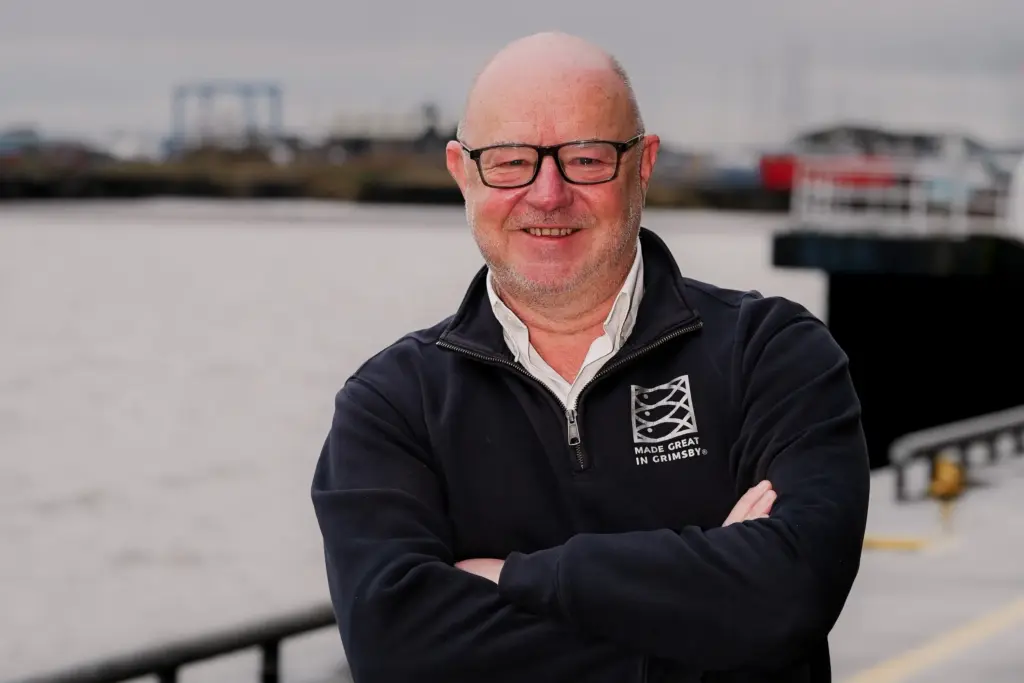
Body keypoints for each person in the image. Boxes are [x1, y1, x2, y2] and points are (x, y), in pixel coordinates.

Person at [311, 31, 870, 683]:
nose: (548, 193)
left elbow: (790, 593)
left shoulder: (770, 353)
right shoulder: (393, 404)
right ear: (462, 172)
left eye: (585, 157)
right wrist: (716, 633)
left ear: (644, 162)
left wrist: (517, 576)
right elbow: (397, 648)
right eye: (512, 160)